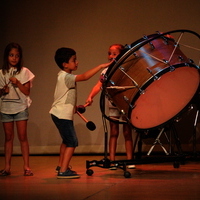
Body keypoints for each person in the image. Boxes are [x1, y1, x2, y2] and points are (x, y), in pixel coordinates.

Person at [49, 47, 113, 179]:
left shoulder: (63, 76)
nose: (77, 62)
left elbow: (64, 98)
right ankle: (63, 171)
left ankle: (60, 166)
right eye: (74, 60)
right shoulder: (66, 76)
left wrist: (76, 107)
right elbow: (84, 77)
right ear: (65, 64)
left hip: (58, 113)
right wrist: (101, 66)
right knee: (72, 142)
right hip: (61, 114)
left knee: (66, 141)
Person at [86, 44, 135, 169]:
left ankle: (130, 160)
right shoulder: (105, 71)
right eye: (109, 53)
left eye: (114, 54)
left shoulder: (127, 70)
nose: (111, 56)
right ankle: (112, 160)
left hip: (125, 104)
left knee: (127, 132)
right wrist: (90, 96)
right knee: (113, 131)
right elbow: (98, 85)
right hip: (112, 104)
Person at [0, 42, 35, 176]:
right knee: (8, 137)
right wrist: (3, 91)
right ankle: (7, 167)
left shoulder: (24, 72)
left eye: (17, 56)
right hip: (5, 108)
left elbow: (27, 92)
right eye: (11, 55)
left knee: (22, 137)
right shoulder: (1, 73)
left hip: (20, 107)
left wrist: (18, 83)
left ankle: (26, 167)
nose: (14, 58)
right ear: (6, 56)